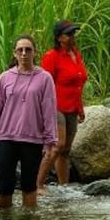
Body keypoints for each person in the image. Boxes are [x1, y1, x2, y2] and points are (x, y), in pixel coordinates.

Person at [0, 36, 57, 209]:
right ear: (15, 54)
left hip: (32, 139)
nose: (24, 53)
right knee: (4, 186)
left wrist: (50, 142)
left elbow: (49, 110)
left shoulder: (45, 78)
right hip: (5, 138)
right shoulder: (5, 78)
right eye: (20, 50)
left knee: (29, 185)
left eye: (28, 49)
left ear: (34, 53)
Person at [37, 19, 88, 190]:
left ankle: (63, 187)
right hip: (55, 106)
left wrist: (80, 108)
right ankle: (37, 184)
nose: (73, 36)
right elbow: (44, 84)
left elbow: (79, 84)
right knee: (57, 145)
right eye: (69, 34)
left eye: (73, 33)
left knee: (66, 150)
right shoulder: (51, 56)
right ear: (59, 38)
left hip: (72, 106)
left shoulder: (76, 54)